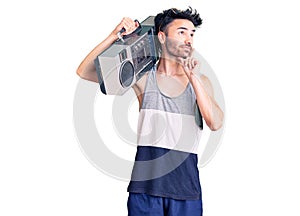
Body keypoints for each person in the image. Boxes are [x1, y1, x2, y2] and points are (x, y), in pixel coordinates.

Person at [77, 7, 224, 216]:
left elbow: (215, 123)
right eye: (181, 32)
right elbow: (84, 71)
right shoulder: (144, 79)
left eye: (192, 33)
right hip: (144, 192)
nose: (189, 39)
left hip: (186, 192)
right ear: (162, 37)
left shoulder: (201, 83)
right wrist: (113, 36)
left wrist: (193, 77)